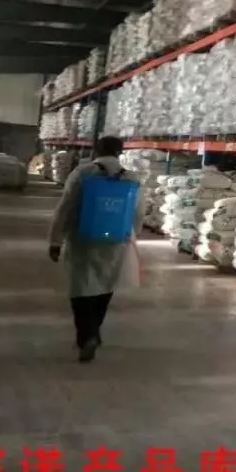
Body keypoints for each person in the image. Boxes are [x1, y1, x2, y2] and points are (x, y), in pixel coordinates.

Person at [47, 136, 143, 363]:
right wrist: (131, 235)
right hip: (116, 240)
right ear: (120, 152)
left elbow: (66, 208)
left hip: (83, 238)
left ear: (96, 150)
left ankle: (87, 335)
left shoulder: (82, 173)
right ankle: (94, 330)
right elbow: (138, 213)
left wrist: (55, 240)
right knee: (106, 285)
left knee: (80, 288)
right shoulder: (131, 178)